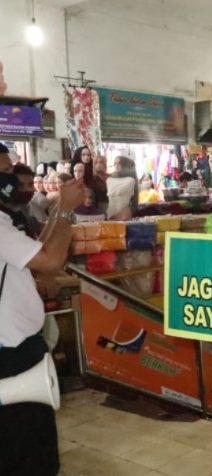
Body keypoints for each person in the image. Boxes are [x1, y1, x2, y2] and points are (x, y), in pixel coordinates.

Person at [0, 142, 87, 475]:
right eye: (6, 172)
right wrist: (64, 209)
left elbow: (37, 254)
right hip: (11, 355)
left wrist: (57, 213)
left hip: (15, 349)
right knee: (29, 455)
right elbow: (50, 262)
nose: (11, 179)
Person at [106, 156, 138, 220]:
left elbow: (134, 202)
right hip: (109, 214)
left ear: (125, 165)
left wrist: (128, 211)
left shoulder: (130, 181)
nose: (116, 166)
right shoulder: (109, 180)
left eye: (119, 163)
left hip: (124, 215)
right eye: (115, 163)